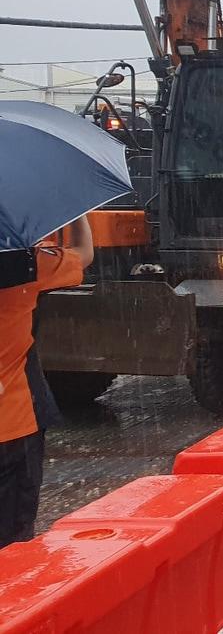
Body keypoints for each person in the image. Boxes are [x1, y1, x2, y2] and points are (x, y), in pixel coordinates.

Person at [1, 216, 93, 548]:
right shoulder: (25, 264)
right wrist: (79, 217)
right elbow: (83, 254)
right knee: (13, 539)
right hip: (14, 423)